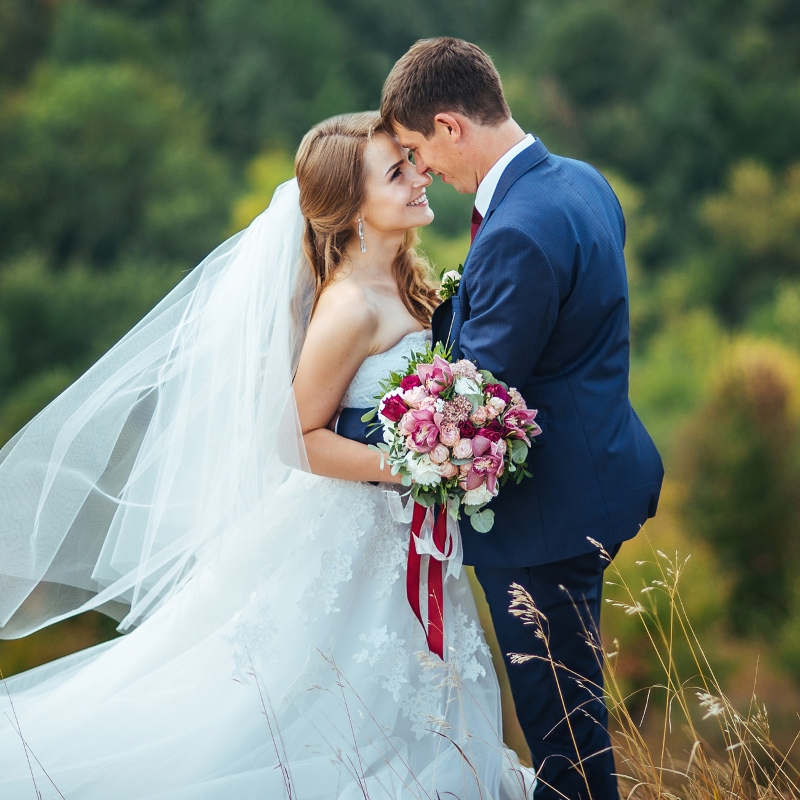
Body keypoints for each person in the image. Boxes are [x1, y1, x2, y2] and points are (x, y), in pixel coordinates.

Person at [0, 112, 534, 799]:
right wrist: (415, 468)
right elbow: (295, 437)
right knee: (304, 714)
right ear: (350, 207)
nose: (420, 175)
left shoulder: (405, 281)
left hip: (408, 541)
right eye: (396, 171)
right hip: (355, 537)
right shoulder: (348, 308)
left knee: (415, 704)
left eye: (414, 162)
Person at [337, 39, 665, 800]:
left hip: (544, 523)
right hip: (602, 475)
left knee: (567, 752)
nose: (425, 173)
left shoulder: (515, 231)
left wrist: (342, 427)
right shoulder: (584, 183)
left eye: (420, 150)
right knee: (574, 723)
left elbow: (472, 409)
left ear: (451, 125)